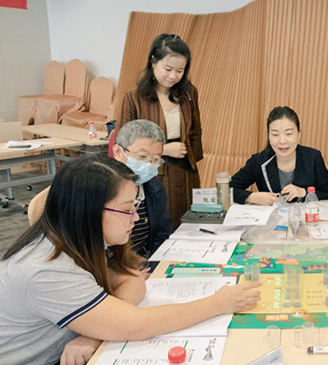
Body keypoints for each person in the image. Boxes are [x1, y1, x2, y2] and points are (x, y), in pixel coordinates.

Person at [0, 156, 260, 365]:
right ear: (89, 211)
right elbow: (138, 325)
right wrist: (217, 303)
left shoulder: (82, 238)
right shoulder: (47, 270)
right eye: (127, 210)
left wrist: (98, 329)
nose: (135, 218)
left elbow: (132, 277)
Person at [117, 33, 203, 228]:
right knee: (157, 222)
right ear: (153, 61)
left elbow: (196, 131)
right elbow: (123, 143)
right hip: (149, 170)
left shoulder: (189, 92)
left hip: (183, 170)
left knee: (186, 222)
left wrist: (191, 159)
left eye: (180, 70)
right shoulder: (134, 96)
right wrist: (163, 150)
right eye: (168, 69)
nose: (173, 76)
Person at [231, 106, 328, 205]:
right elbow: (228, 189)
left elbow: (327, 194)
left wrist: (303, 192)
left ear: (298, 135)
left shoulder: (313, 157)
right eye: (275, 134)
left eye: (288, 134)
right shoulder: (258, 161)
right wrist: (252, 197)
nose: (282, 141)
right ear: (269, 137)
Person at [113, 119, 173, 258]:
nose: (148, 165)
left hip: (143, 261)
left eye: (155, 159)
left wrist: (154, 264)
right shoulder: (100, 189)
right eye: (142, 157)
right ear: (118, 152)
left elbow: (162, 235)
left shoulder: (154, 189)